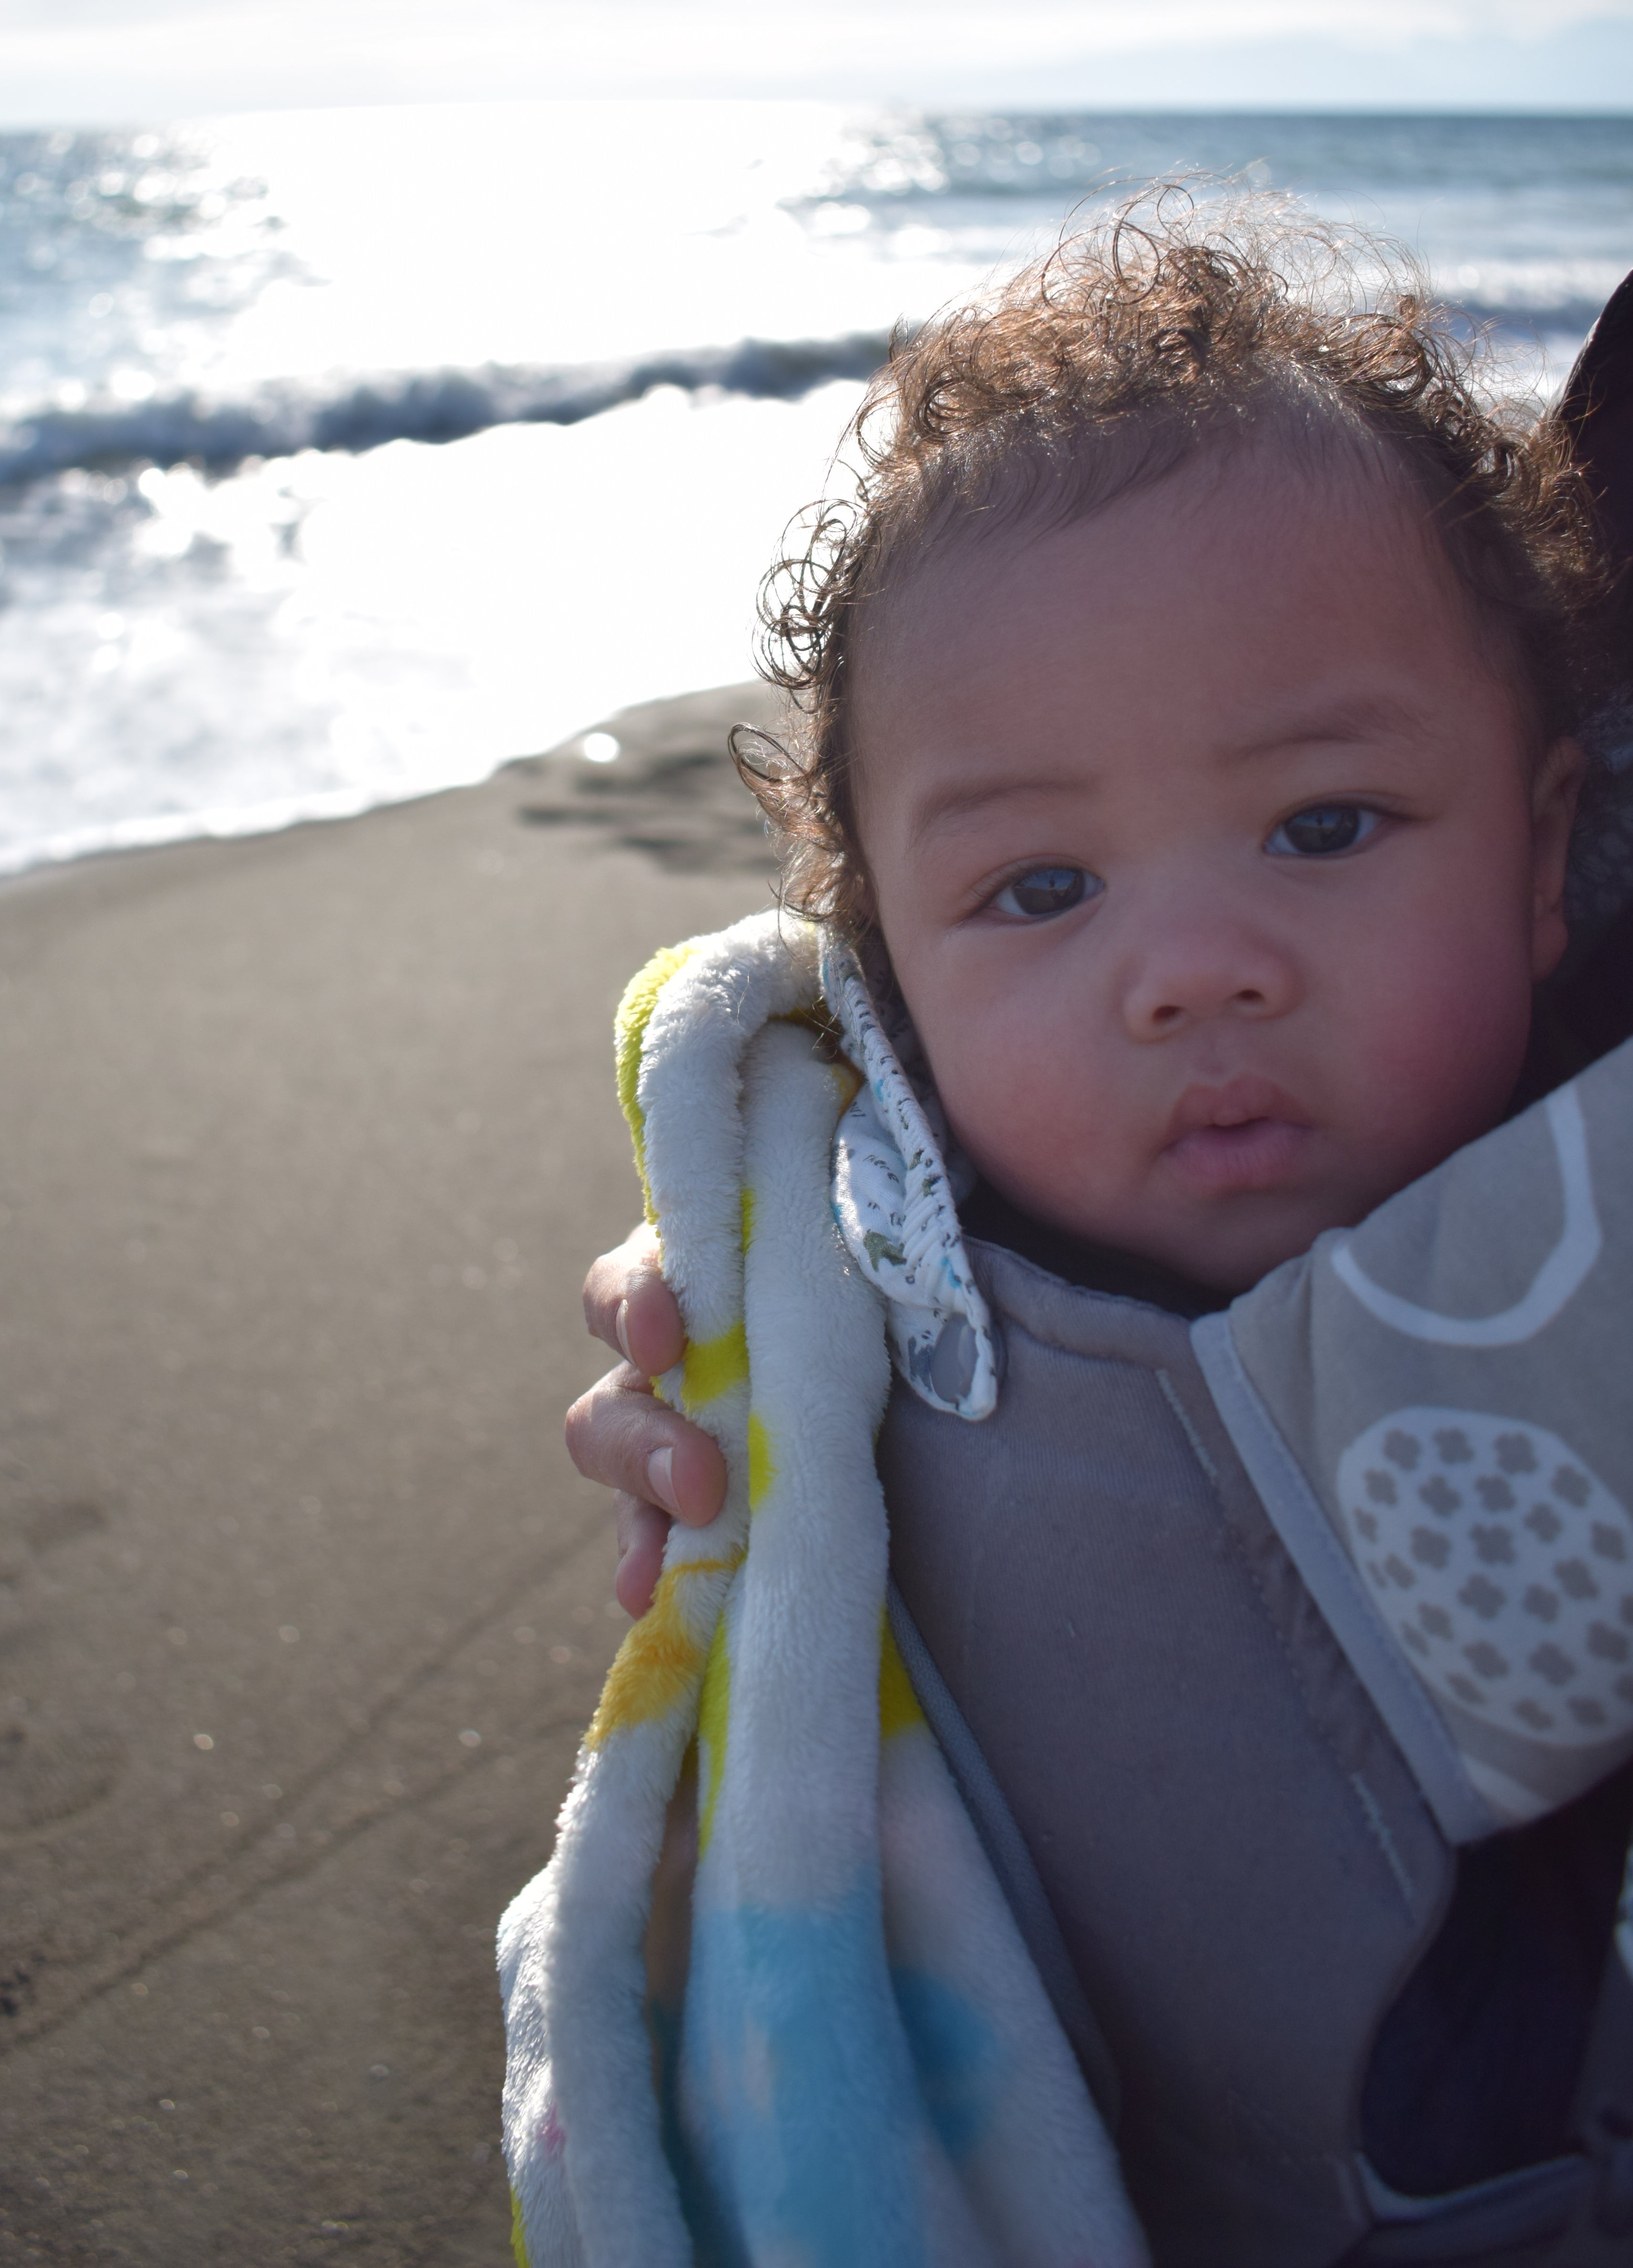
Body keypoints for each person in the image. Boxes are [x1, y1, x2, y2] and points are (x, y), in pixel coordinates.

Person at [542, 199, 1633, 2263]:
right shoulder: (860, 1285)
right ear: (890, 972)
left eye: (1325, 826)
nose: (1195, 968)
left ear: (1543, 853)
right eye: (1040, 890)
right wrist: (739, 1394)